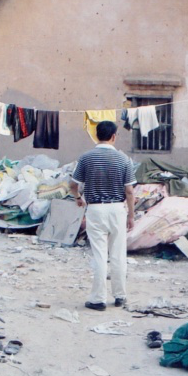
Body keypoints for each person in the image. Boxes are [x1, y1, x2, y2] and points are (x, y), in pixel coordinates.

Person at [70, 121, 136, 311]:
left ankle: (98, 299)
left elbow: (73, 185)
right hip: (117, 209)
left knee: (100, 254)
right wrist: (131, 216)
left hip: (95, 209)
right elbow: (129, 191)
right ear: (114, 136)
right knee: (118, 254)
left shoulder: (86, 158)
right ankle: (120, 296)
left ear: (96, 135)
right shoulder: (124, 159)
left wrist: (78, 198)